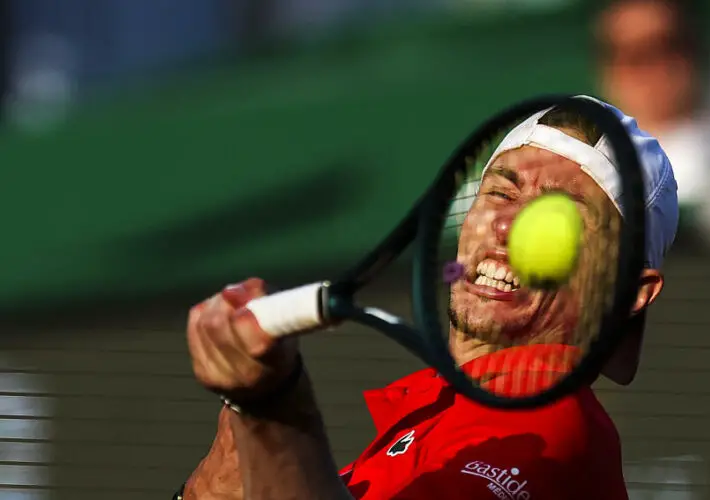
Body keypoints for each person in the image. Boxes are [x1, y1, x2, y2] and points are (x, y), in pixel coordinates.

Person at [175, 97, 678, 499]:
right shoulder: (421, 428)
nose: (506, 228)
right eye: (500, 194)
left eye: (557, 221)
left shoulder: (560, 436)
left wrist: (274, 410)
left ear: (629, 293)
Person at [595, 0, 706, 213]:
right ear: (607, 71)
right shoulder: (586, 170)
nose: (653, 65)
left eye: (667, 45)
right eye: (634, 55)